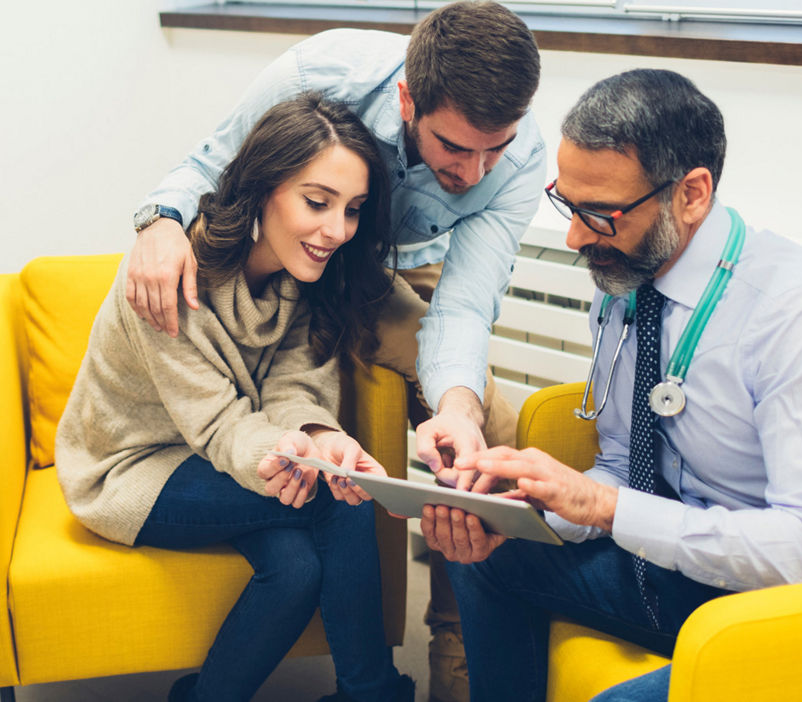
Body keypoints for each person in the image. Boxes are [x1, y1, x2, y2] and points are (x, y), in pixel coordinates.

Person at [420, 68, 802, 702]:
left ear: (692, 194)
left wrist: (603, 507)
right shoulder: (625, 282)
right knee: (491, 562)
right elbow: (627, 467)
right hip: (710, 576)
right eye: (567, 205)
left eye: (599, 215)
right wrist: (535, 507)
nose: (575, 238)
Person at [127, 4, 545, 697]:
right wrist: (161, 221)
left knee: (486, 436)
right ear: (410, 101)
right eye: (452, 147)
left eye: (492, 149)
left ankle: (458, 646)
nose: (474, 173)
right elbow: (217, 161)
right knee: (336, 480)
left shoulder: (518, 158)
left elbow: (464, 308)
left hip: (400, 271)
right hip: (311, 257)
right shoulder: (317, 76)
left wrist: (457, 411)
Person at [56, 93, 414, 702]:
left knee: (296, 569)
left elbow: (293, 383)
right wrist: (286, 452)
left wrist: (321, 437)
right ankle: (373, 693)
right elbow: (218, 423)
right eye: (316, 201)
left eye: (352, 210)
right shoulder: (167, 277)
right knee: (340, 501)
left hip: (226, 450)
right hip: (135, 465)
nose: (337, 230)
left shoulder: (309, 271)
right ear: (263, 187)